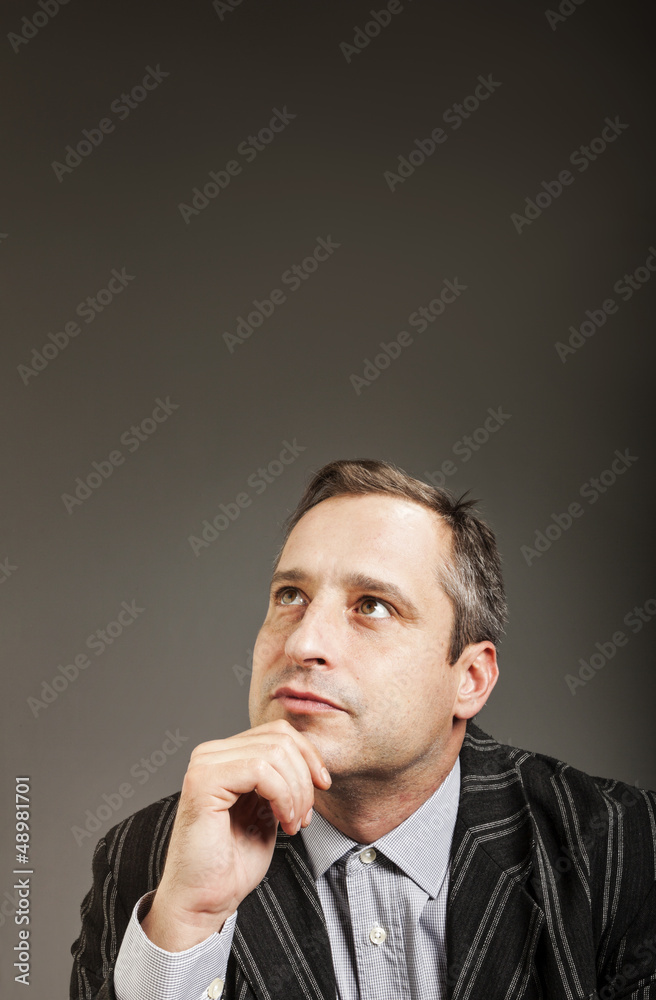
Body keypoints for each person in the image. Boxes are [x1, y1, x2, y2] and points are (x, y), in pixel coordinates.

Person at [70, 459, 656, 1000]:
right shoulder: (149, 860)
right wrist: (189, 926)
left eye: (372, 605)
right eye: (291, 596)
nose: (303, 643)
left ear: (470, 678)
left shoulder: (624, 845)